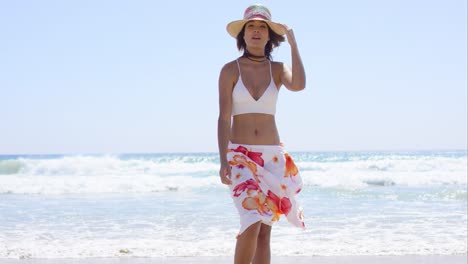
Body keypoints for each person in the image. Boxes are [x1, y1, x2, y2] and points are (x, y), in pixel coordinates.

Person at [217, 4, 306, 264]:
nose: (256, 31)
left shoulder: (277, 69)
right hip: (240, 156)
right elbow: (223, 118)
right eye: (251, 27)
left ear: (270, 36)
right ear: (242, 35)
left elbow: (299, 85)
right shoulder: (229, 70)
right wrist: (223, 159)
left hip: (272, 158)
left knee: (265, 232)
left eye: (262, 27)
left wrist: (293, 44)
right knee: (252, 219)